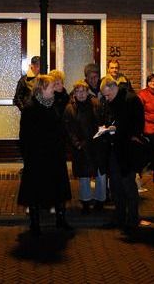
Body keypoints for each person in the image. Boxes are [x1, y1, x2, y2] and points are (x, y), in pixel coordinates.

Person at [17, 75, 72, 236]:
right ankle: (35, 223)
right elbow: (25, 135)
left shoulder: (54, 104)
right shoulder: (30, 108)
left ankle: (61, 220)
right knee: (35, 190)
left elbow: (64, 103)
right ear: (41, 89)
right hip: (37, 157)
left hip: (55, 155)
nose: (53, 89)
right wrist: (28, 156)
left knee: (58, 188)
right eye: (51, 87)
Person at [99, 77, 145, 234]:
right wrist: (106, 129)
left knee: (128, 184)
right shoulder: (111, 102)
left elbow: (138, 125)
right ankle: (119, 217)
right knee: (115, 185)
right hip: (114, 149)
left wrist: (119, 131)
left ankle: (132, 219)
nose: (106, 98)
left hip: (128, 151)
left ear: (113, 88)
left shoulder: (131, 100)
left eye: (107, 95)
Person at [63, 80, 106, 214]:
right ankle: (86, 202)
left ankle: (100, 201)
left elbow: (102, 121)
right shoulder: (70, 108)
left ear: (88, 92)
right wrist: (77, 144)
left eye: (83, 91)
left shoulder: (96, 104)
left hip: (97, 145)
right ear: (74, 93)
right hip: (81, 147)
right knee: (84, 176)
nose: (80, 94)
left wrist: (102, 135)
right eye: (78, 91)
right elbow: (68, 129)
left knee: (100, 174)